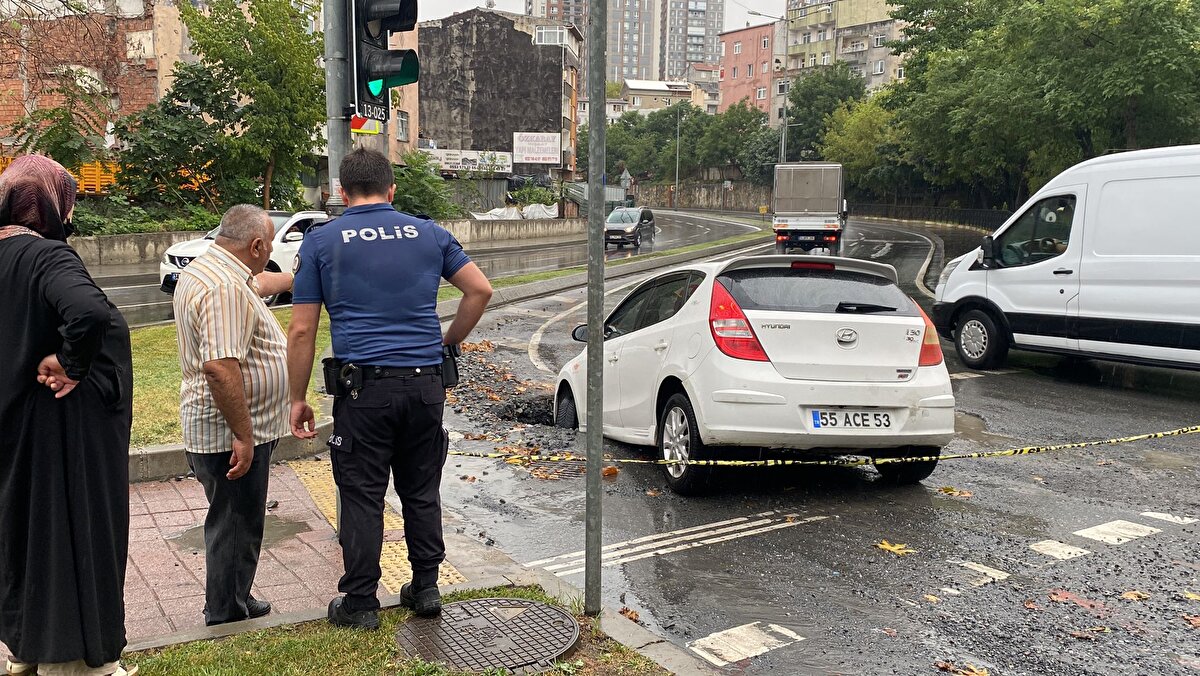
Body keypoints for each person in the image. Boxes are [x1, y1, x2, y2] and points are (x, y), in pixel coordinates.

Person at [286, 148, 493, 628]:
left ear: (341, 192)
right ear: (391, 189)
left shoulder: (322, 241)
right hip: (425, 386)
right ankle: (425, 588)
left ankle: (360, 602)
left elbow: (301, 331)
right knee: (421, 488)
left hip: (365, 391)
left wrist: (299, 398)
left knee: (362, 493)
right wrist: (448, 341)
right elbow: (479, 290)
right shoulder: (429, 233)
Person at [0, 155, 136, 675]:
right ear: (53, 205)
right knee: (73, 537)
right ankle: (81, 660)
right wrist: (72, 362)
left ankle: (24, 648)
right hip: (61, 437)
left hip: (12, 432)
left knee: (19, 540)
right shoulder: (47, 258)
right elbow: (89, 311)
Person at [172, 204, 295, 626]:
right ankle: (226, 613)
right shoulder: (224, 286)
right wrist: (243, 435)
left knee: (234, 520)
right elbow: (220, 367)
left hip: (226, 427)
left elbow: (260, 283)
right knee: (236, 524)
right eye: (270, 246)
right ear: (257, 244)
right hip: (233, 432)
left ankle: (235, 595)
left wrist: (305, 278)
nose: (270, 253)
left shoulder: (211, 269)